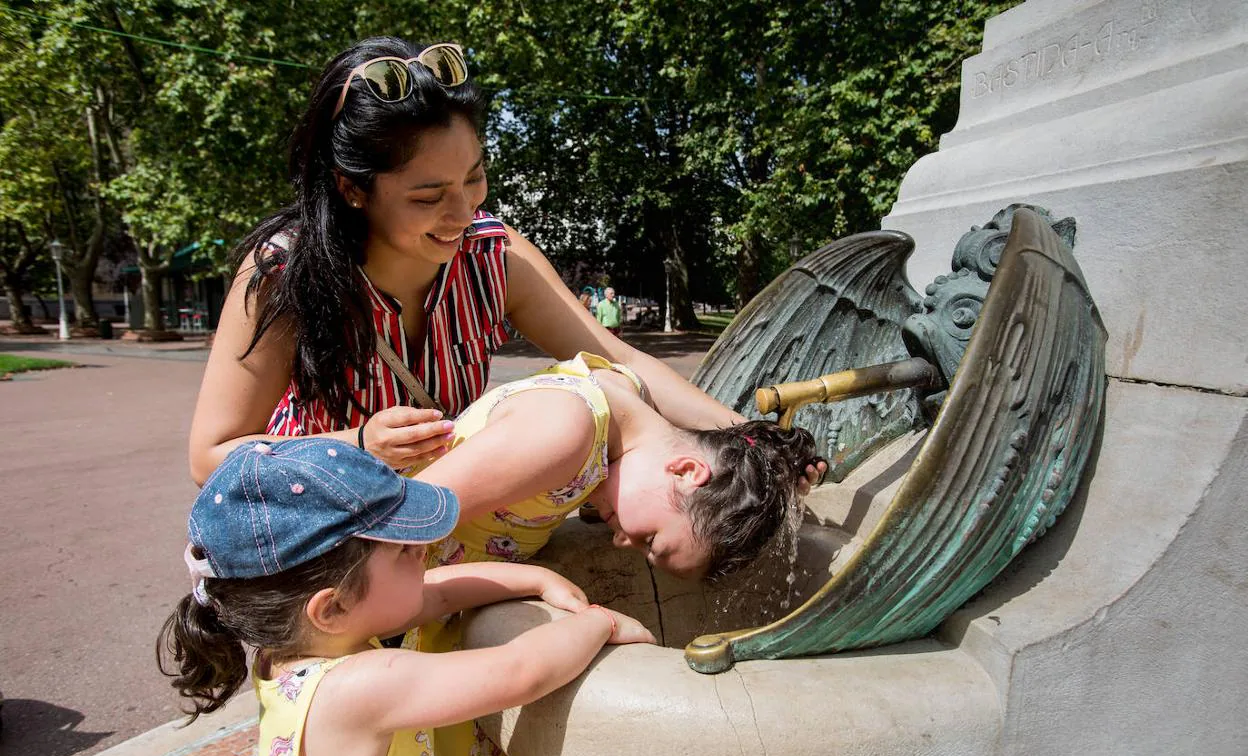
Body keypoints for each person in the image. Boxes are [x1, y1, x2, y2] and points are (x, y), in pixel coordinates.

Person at [186, 36, 812, 489]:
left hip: (447, 504)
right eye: (428, 196)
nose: (462, 212)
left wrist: (750, 436)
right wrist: (355, 445)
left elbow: (623, 362)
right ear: (352, 188)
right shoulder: (282, 274)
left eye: (475, 178)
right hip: (326, 521)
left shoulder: (494, 253)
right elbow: (211, 455)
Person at [400, 351, 822, 756]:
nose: (623, 541)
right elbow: (387, 522)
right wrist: (529, 578)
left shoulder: (629, 393)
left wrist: (778, 466)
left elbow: (730, 443)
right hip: (401, 600)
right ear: (686, 472)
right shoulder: (563, 432)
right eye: (651, 539)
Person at [158, 438, 654, 756]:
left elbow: (436, 590)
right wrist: (596, 622)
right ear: (329, 608)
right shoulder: (360, 685)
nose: (425, 552)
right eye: (404, 551)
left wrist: (535, 578)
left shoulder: (294, 646)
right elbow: (519, 671)